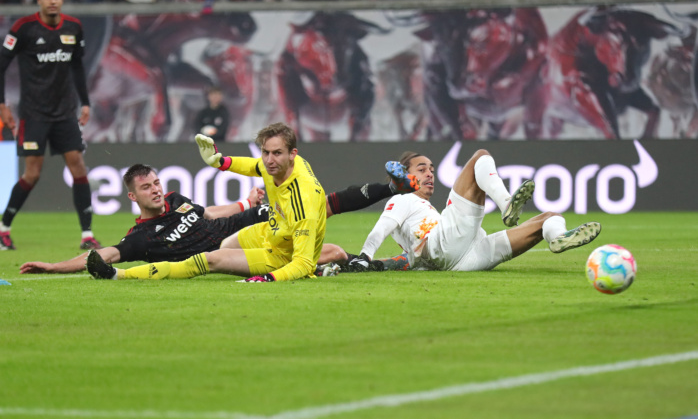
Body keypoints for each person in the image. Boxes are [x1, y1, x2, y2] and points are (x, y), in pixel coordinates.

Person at [23, 139, 418, 275]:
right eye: (147, 187)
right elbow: (102, 254)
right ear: (133, 197)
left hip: (252, 222)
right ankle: (374, 263)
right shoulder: (139, 238)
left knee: (323, 204)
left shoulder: (178, 202)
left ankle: (387, 188)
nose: (157, 190)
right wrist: (54, 266)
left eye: (158, 182)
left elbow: (210, 214)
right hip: (231, 249)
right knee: (324, 251)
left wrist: (246, 201)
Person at [344, 150, 601, 273]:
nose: (430, 173)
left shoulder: (421, 210)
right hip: (447, 242)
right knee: (480, 157)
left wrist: (379, 265)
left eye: (432, 169)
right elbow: (382, 227)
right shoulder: (402, 199)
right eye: (421, 169)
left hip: (468, 257)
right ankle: (506, 204)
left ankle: (556, 237)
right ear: (405, 175)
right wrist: (365, 255)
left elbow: (411, 256)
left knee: (549, 217)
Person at [0, 0, 100, 251]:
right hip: (34, 114)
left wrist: (86, 102)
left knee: (78, 166)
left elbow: (78, 67)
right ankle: (4, 228)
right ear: (39, 1)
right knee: (32, 174)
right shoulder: (24, 28)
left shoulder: (73, 28)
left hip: (65, 113)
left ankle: (87, 235)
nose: (53, 1)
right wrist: (3, 105)